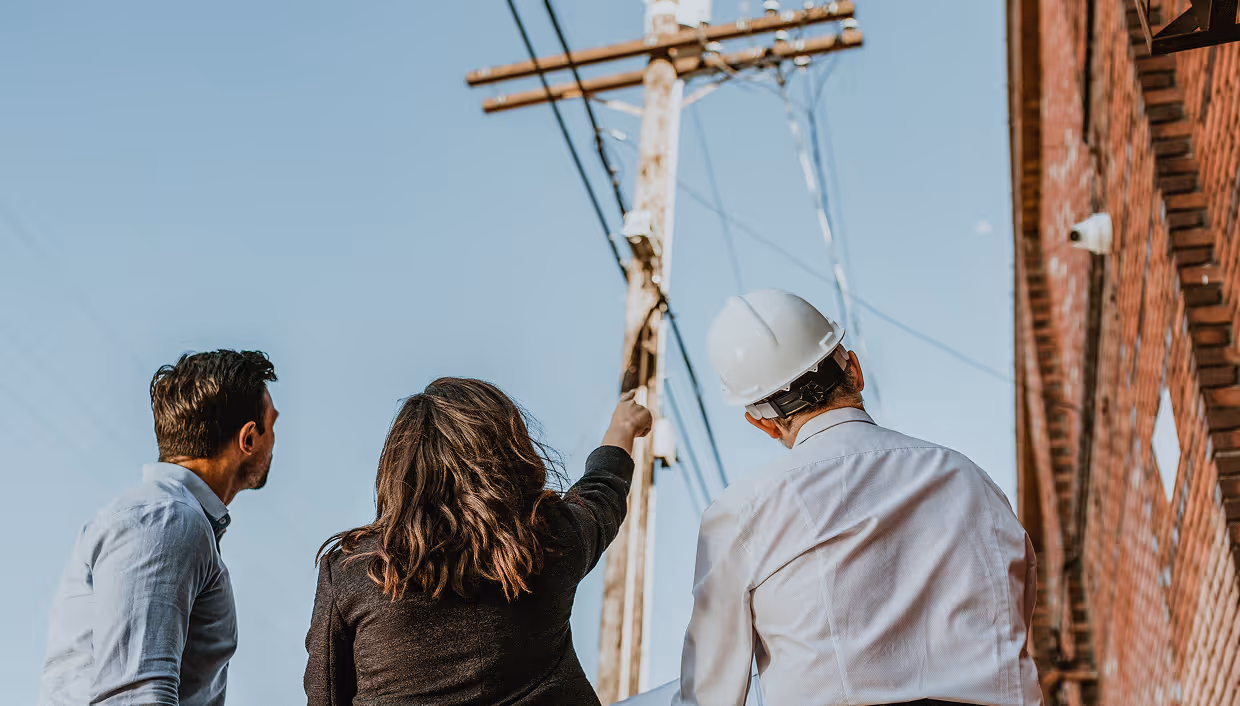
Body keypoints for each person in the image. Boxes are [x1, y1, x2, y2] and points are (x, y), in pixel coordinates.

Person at [673, 290, 1041, 706]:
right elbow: (1019, 612)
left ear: (764, 426)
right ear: (856, 371)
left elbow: (709, 695)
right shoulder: (970, 479)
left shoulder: (740, 515)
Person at [304, 377, 653, 705]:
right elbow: (602, 490)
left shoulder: (352, 573)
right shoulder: (549, 541)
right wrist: (621, 428)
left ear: (398, 471)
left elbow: (326, 694)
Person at [38, 349, 279, 706]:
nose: (274, 442)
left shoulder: (168, 517)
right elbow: (136, 695)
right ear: (248, 438)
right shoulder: (168, 520)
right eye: (272, 425)